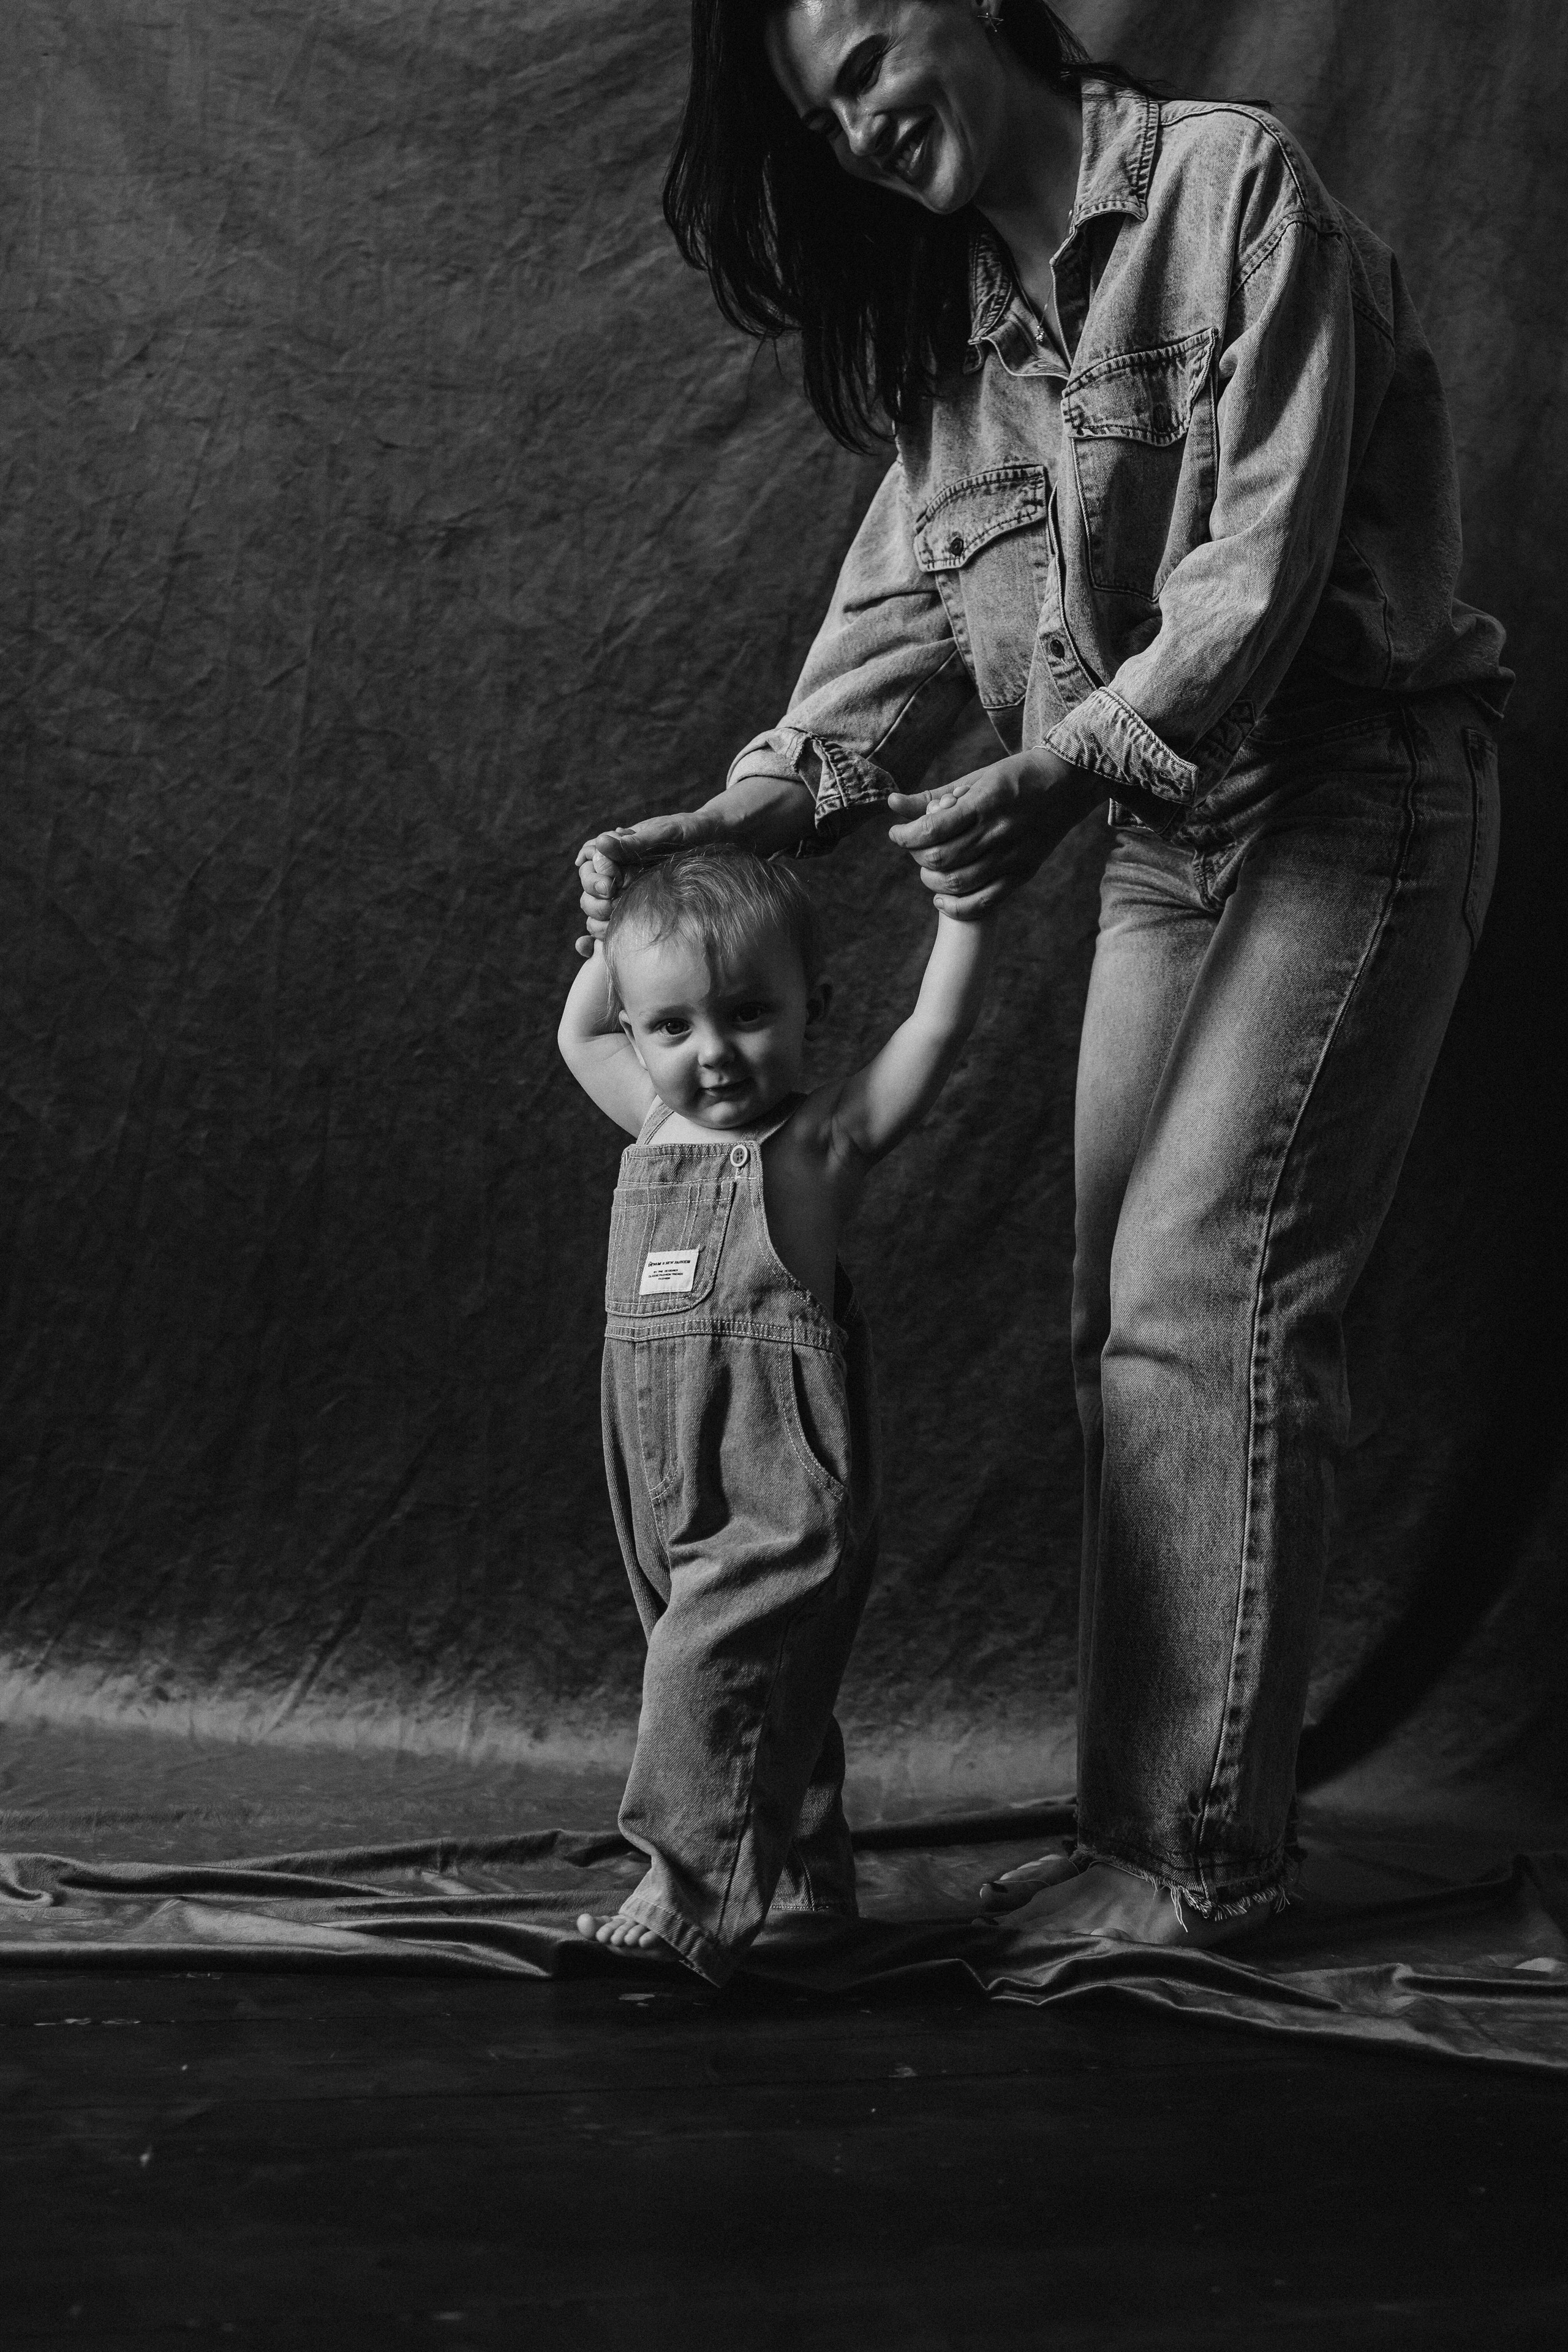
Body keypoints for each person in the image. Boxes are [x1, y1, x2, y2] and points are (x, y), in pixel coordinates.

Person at [574, 1, 1510, 1946]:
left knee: (1208, 1280)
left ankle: (1190, 1865)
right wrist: (720, 829)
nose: (848, 124)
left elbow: (1251, 586)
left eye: (857, 60)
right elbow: (889, 634)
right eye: (816, 116)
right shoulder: (962, 338)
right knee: (1118, 1312)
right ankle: (1135, 1830)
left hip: (1357, 791)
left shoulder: (1230, 191)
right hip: (1170, 846)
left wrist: (1055, 774)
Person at [557, 832, 997, 1978]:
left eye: (748, 1013)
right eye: (673, 1027)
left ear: (813, 1007)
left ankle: (685, 1885)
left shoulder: (818, 1143)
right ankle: (805, 1885)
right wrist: (611, 934)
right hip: (656, 1466)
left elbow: (932, 1034)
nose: (710, 1054)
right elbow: (580, 1028)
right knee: (752, 1680)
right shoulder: (652, 1124)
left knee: (715, 1670)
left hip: (775, 1472)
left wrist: (964, 916)